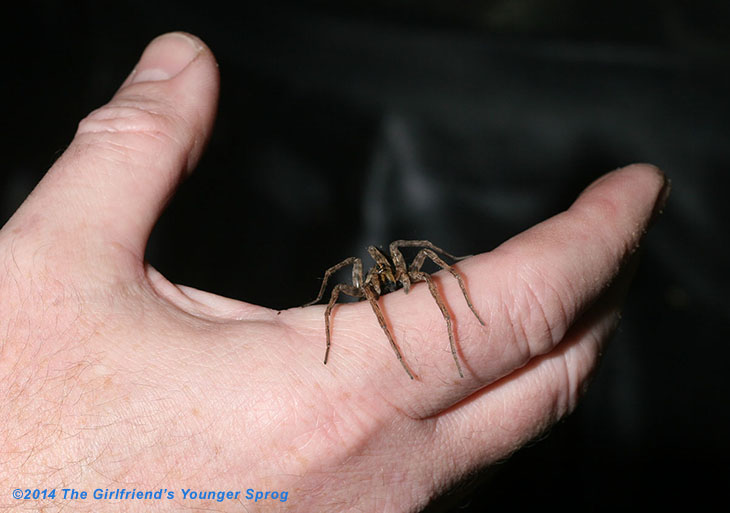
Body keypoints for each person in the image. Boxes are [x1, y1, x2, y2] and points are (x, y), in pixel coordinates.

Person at [0, 32, 668, 511]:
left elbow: (420, 256)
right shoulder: (365, 282)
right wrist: (332, 326)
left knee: (412, 255)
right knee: (356, 281)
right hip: (358, 295)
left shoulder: (405, 261)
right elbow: (347, 281)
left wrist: (454, 281)